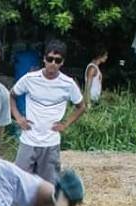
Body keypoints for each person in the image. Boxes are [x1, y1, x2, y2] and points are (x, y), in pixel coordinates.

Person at [10, 40, 85, 185]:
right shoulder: (30, 79)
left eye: (57, 60)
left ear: (62, 62)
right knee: (18, 182)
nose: (53, 63)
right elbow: (11, 95)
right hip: (28, 139)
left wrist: (66, 124)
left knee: (49, 187)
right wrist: (18, 118)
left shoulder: (68, 84)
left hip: (51, 142)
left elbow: (81, 106)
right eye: (50, 59)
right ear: (44, 59)